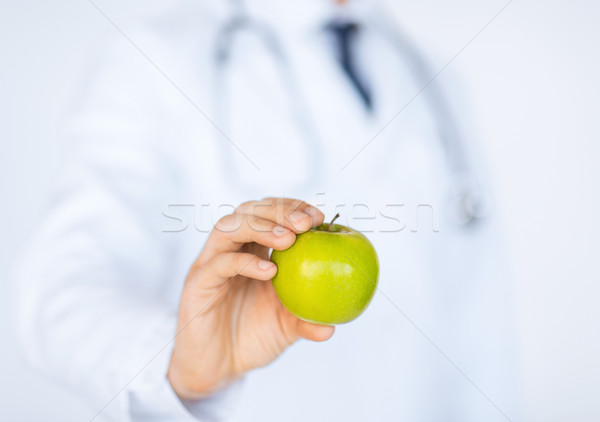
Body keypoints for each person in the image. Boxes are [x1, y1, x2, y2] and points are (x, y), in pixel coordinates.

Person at [13, 0, 519, 421]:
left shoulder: (430, 75)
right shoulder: (158, 56)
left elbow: (477, 315)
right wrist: (176, 361)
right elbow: (61, 295)